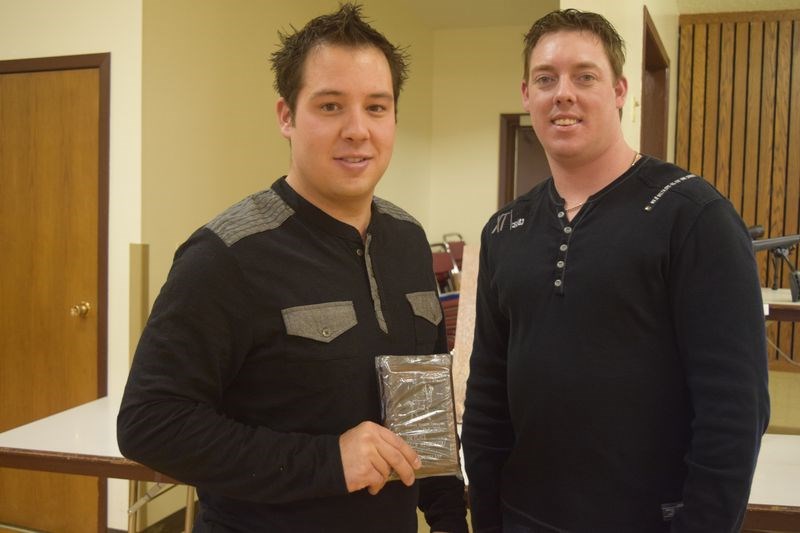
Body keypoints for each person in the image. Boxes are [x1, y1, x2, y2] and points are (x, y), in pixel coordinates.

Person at [117, 4, 468, 532]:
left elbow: (422, 407)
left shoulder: (408, 240)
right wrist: (328, 461)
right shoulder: (227, 254)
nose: (357, 130)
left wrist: (447, 520)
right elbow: (151, 423)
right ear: (286, 116)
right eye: (330, 106)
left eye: (376, 107)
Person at [461, 8, 769, 533]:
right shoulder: (503, 231)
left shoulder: (691, 215)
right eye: (545, 79)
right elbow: (489, 395)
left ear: (621, 89)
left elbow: (733, 412)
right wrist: (487, 518)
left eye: (585, 76)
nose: (563, 93)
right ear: (526, 95)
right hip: (523, 519)